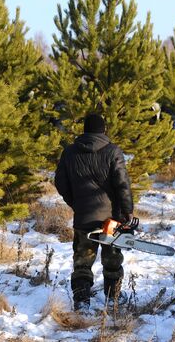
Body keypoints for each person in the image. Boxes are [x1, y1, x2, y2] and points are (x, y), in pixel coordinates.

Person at [55, 113, 134, 311]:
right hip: (111, 219)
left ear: (84, 129)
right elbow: (122, 184)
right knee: (112, 260)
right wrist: (128, 211)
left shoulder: (70, 152)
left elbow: (60, 183)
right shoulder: (113, 151)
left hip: (84, 218)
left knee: (82, 262)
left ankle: (81, 301)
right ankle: (113, 298)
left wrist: (76, 202)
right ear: (104, 129)